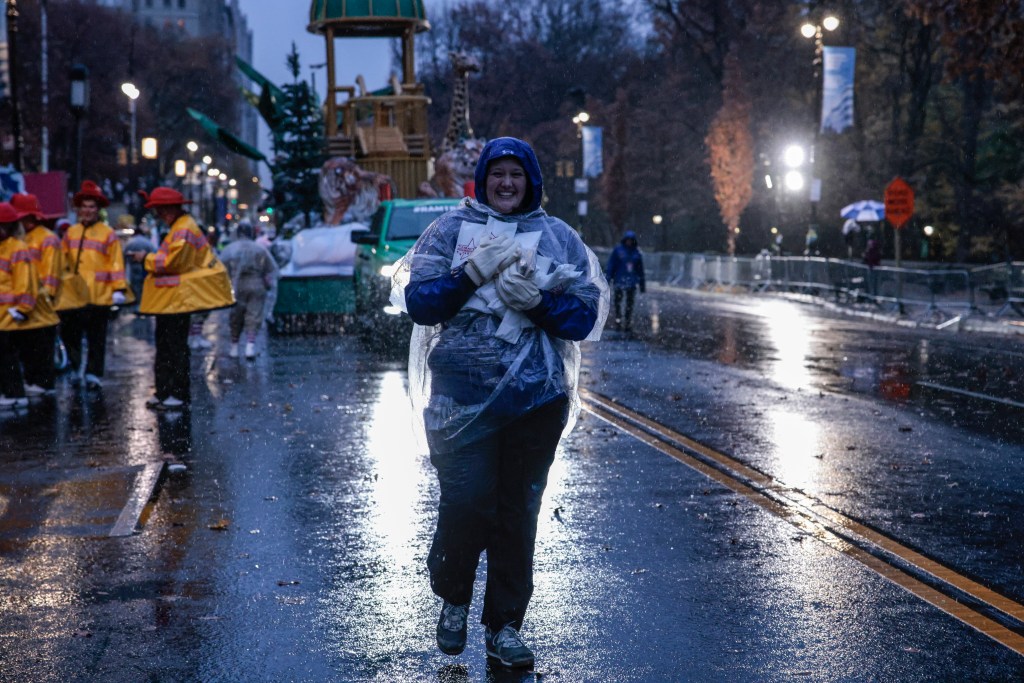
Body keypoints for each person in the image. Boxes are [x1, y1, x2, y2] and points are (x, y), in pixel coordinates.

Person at [392, 137, 608, 669]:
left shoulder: (558, 238)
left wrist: (539, 303)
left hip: (536, 404)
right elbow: (420, 304)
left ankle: (505, 626)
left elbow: (584, 317)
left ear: (531, 181)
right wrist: (467, 274)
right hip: (459, 401)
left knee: (518, 513)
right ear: (483, 179)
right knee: (467, 503)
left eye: (516, 174)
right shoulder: (447, 231)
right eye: (497, 175)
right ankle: (454, 598)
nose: (506, 184)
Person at [132, 187, 234, 409]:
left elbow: (170, 263)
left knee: (174, 347)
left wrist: (144, 259)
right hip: (171, 301)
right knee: (168, 346)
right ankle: (166, 392)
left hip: (177, 301)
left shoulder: (183, 229)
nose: (158, 214)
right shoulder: (180, 227)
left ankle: (176, 393)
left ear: (169, 210)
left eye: (159, 210)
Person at [60, 180, 129, 389]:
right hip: (73, 296)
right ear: (79, 209)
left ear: (97, 210)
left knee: (96, 338)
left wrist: (118, 288)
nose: (87, 211)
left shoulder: (107, 234)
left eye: (91, 207)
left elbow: (115, 262)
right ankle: (75, 367)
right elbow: (62, 261)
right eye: (84, 207)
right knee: (70, 335)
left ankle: (93, 374)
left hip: (98, 295)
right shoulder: (71, 233)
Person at [0, 202, 59, 408]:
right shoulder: (12, 247)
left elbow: (25, 283)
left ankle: (15, 394)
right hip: (9, 313)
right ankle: (15, 393)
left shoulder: (17, 248)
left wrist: (22, 309)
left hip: (12, 314)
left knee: (9, 356)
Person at [219, 220, 277, 358]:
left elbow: (221, 269)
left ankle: (234, 347)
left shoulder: (230, 249)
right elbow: (271, 269)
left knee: (235, 315)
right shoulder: (259, 249)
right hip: (256, 285)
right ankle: (250, 347)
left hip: (236, 286)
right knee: (254, 315)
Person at [605, 229, 646, 331]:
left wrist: (642, 284)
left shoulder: (637, 253)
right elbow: (611, 265)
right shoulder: (618, 251)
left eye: (631, 240)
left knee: (629, 303)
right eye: (628, 240)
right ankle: (618, 319)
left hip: (631, 282)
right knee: (618, 302)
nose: (629, 242)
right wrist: (608, 279)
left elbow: (640, 270)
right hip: (619, 280)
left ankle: (627, 321)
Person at [124, 218, 158, 309]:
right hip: (145, 267)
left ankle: (138, 304)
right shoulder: (147, 242)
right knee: (144, 286)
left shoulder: (130, 242)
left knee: (136, 286)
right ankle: (144, 304)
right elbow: (155, 253)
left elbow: (123, 256)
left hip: (134, 267)